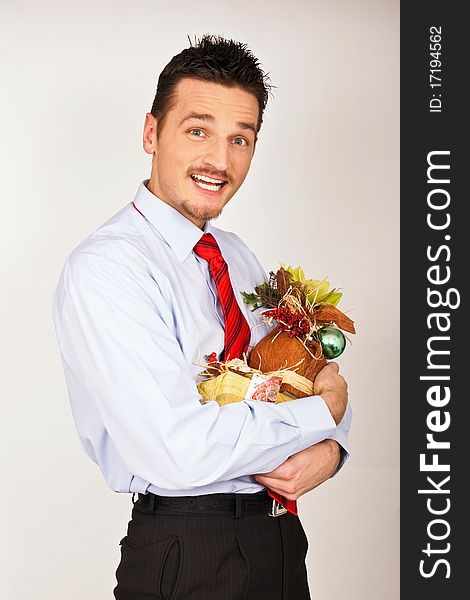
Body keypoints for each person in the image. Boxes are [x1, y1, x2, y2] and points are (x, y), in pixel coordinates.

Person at [51, 34, 352, 600]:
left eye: (241, 139)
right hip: (191, 549)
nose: (220, 160)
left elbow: (297, 383)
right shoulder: (109, 268)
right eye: (198, 131)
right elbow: (180, 449)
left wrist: (331, 449)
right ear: (151, 133)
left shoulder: (235, 256)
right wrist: (323, 413)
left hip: (279, 539)